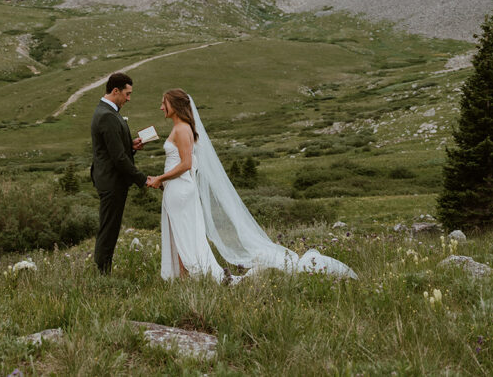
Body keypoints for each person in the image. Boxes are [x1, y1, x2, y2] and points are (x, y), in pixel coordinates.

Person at [147, 89, 357, 281]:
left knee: (184, 233)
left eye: (164, 103)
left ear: (175, 105)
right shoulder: (179, 128)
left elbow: (186, 164)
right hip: (176, 187)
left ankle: (188, 275)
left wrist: (160, 178)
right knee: (180, 232)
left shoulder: (182, 129)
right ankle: (183, 276)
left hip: (180, 188)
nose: (161, 107)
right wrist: (163, 180)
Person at [90, 72, 147, 274]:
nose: (129, 98)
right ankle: (102, 272)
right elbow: (118, 158)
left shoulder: (107, 111)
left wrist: (130, 146)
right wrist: (142, 179)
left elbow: (112, 148)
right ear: (116, 91)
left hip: (110, 178)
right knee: (109, 227)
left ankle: (103, 269)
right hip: (111, 181)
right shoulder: (107, 115)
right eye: (127, 93)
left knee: (110, 226)